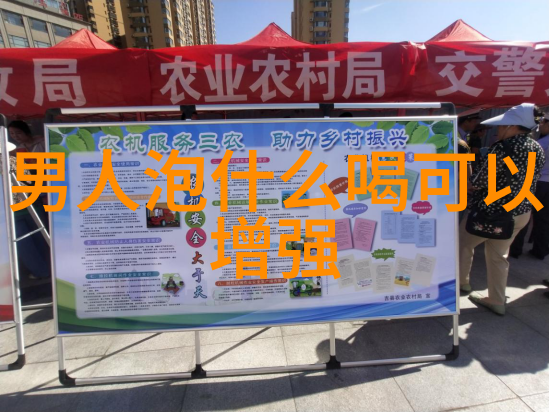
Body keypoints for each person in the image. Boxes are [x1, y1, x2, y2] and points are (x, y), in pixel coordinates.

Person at [459, 103, 545, 316]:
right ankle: (497, 300)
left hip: (491, 211)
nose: (498, 129)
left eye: (502, 125)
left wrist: (467, 184)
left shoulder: (503, 148)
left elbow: (480, 180)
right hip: (521, 211)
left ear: (513, 126)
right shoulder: (537, 147)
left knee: (463, 243)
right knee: (499, 256)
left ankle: (462, 283)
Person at [509, 112, 549, 259]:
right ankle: (540, 251)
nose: (540, 126)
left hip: (537, 184)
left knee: (524, 213)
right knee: (543, 219)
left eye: (543, 122)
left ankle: (515, 249)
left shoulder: (541, 144)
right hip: (547, 187)